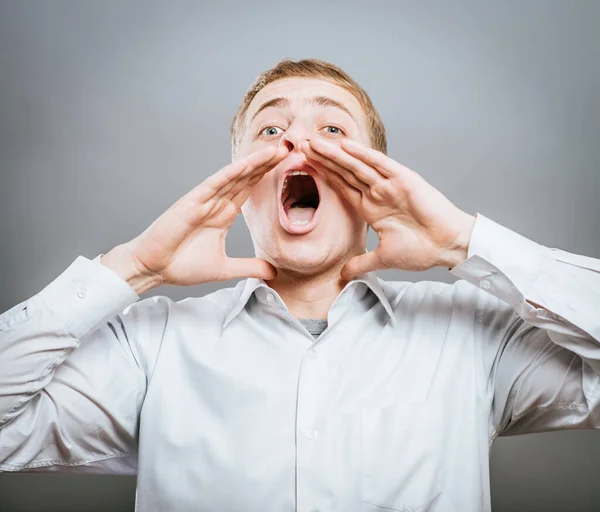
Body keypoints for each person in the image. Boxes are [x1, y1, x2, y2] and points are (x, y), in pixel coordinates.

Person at [0, 58, 598, 512]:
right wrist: (132, 269)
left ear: (375, 185)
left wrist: (467, 243)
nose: (299, 142)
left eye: (334, 130)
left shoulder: (473, 335)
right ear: (240, 192)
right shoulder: (152, 346)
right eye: (270, 131)